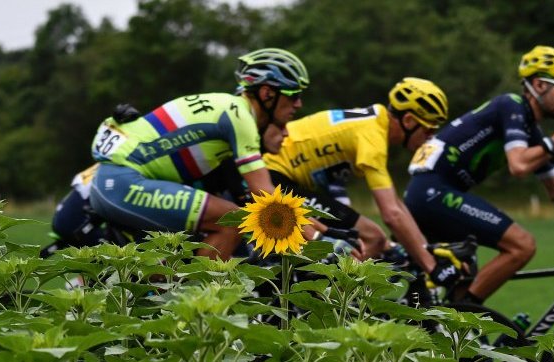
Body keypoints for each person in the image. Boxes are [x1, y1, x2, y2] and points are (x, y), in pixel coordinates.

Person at [403, 46, 554, 303]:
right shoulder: (512, 105)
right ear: (539, 85)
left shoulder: (532, 133)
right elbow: (519, 166)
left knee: (463, 281)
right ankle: (467, 315)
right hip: (434, 192)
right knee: (521, 245)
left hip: (430, 194)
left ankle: (451, 329)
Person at [88, 48, 308, 260]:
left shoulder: (227, 106)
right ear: (267, 93)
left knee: (168, 268)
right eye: (294, 94)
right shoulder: (240, 117)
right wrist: (319, 238)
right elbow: (265, 193)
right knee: (233, 220)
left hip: (113, 181)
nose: (299, 103)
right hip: (122, 183)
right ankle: (197, 296)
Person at [262, 78, 456, 285]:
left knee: (368, 238)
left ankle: (318, 289)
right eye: (427, 130)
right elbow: (391, 214)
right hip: (273, 176)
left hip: (283, 176)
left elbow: (396, 203)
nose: (429, 138)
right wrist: (432, 267)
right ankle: (327, 298)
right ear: (408, 121)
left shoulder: (375, 123)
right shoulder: (373, 137)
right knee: (374, 237)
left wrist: (425, 250)